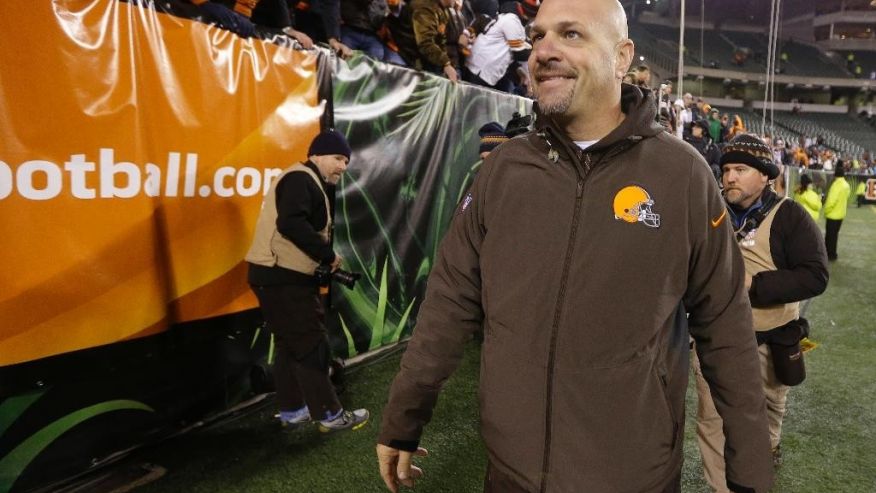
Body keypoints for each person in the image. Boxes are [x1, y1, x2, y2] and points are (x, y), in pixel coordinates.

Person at [375, 1, 774, 492]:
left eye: (571, 35)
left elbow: (726, 330)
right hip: (510, 473)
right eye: (538, 35)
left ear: (621, 56)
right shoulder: (503, 171)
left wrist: (750, 469)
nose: (544, 51)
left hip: (630, 477)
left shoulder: (683, 175)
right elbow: (449, 301)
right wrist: (404, 414)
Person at [695, 134, 828, 492]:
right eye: (725, 170)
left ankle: (766, 449)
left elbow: (816, 276)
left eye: (740, 169)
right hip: (716, 337)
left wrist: (753, 286)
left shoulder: (790, 216)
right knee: (712, 418)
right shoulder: (708, 211)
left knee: (769, 410)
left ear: (765, 175)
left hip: (773, 337)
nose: (729, 177)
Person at [245, 130, 369, 433]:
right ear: (317, 155)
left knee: (291, 345)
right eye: (338, 158)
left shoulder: (303, 179)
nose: (343, 166)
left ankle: (293, 411)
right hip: (282, 277)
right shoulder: (302, 179)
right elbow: (290, 223)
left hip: (274, 276)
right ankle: (329, 414)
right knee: (312, 343)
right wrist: (327, 255)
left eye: (346, 161)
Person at [411, 0, 459, 81]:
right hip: (412, 60)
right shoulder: (425, 8)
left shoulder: (442, 10)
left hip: (428, 61)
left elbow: (441, 40)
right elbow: (425, 43)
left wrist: (447, 63)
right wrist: (445, 63)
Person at [824, 162, 851, 261]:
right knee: (834, 235)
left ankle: (829, 254)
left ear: (835, 175)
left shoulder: (836, 185)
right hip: (841, 215)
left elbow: (831, 201)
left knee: (830, 236)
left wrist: (826, 211)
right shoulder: (846, 185)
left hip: (832, 215)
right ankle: (833, 254)